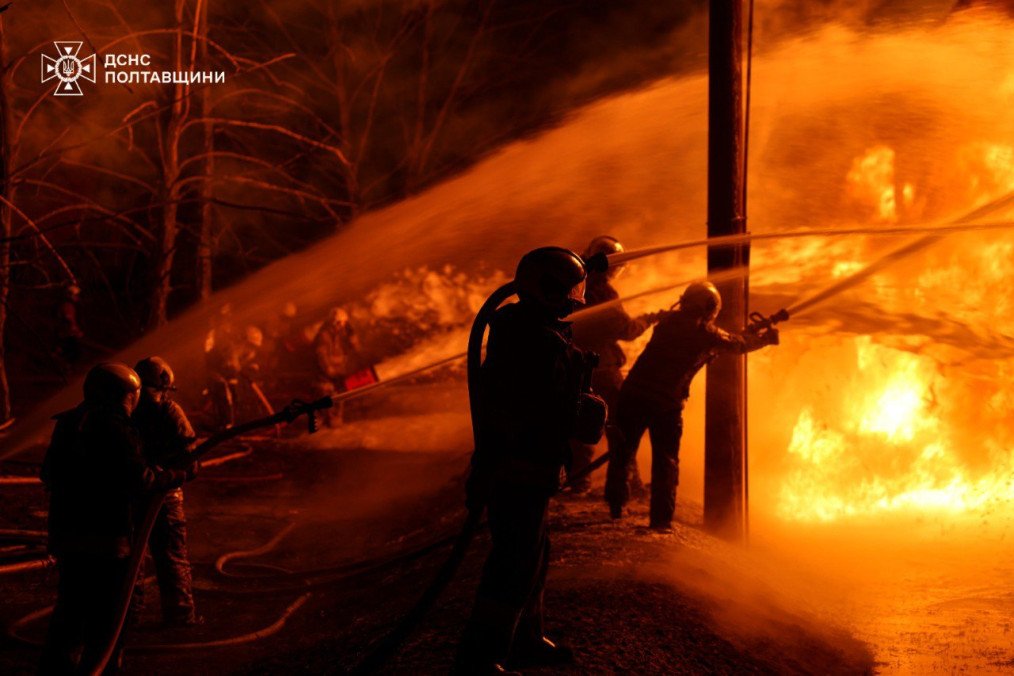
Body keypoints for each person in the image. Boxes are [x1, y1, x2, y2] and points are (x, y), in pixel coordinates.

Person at [456, 247, 606, 674]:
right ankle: (480, 661)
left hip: (531, 467)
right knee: (513, 564)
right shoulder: (530, 341)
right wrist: (582, 411)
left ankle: (525, 640)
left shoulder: (532, 330)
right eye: (570, 290)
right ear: (548, 288)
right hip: (516, 467)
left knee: (534, 557)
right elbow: (535, 408)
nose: (575, 300)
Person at [39, 363, 197, 674]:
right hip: (106, 538)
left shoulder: (70, 422)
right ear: (126, 395)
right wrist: (169, 477)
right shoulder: (115, 427)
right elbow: (139, 478)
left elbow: (48, 473)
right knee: (107, 616)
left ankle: (57, 669)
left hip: (67, 535)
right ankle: (103, 668)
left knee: (70, 609)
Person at [604, 281, 779, 531]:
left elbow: (718, 341)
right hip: (666, 403)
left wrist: (744, 334)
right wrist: (765, 339)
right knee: (666, 461)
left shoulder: (668, 323)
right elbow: (736, 344)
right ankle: (661, 521)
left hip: (633, 394)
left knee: (622, 452)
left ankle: (616, 506)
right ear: (710, 308)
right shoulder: (705, 334)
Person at [569, 235, 658, 494]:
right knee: (622, 424)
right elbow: (626, 329)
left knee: (579, 423)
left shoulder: (573, 286)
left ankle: (578, 482)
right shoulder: (604, 294)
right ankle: (629, 482)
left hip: (574, 367)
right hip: (603, 370)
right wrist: (649, 318)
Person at [132, 357, 200, 627]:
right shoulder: (170, 411)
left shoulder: (125, 410)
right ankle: (181, 617)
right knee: (172, 556)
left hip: (134, 494)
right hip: (164, 498)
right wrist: (178, 473)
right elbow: (192, 461)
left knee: (132, 560)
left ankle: (128, 619)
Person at [312, 307, 364, 425]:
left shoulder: (341, 333)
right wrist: (329, 370)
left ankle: (334, 419)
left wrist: (352, 335)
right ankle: (321, 420)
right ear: (333, 322)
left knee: (339, 394)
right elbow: (321, 355)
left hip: (338, 370)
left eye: (344, 323)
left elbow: (356, 348)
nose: (342, 326)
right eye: (340, 323)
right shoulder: (324, 335)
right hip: (326, 373)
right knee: (326, 393)